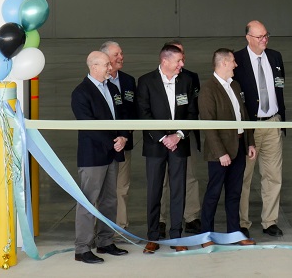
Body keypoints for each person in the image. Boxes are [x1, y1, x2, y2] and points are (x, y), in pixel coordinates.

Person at [137, 44, 198, 254]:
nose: (182, 64)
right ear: (165, 61)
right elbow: (143, 114)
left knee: (178, 191)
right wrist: (164, 137)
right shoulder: (146, 81)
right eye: (178, 61)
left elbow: (192, 112)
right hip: (156, 145)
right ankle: (153, 237)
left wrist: (178, 135)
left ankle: (176, 235)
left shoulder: (186, 81)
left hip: (179, 145)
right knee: (154, 191)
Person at [72, 51, 131, 264]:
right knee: (88, 201)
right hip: (93, 156)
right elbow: (88, 126)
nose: (110, 67)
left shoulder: (113, 88)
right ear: (94, 67)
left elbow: (123, 115)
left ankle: (105, 241)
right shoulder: (80, 93)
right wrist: (112, 142)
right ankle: (82, 248)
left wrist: (123, 137)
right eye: (106, 64)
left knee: (109, 200)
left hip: (113, 152)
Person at [233, 20, 286, 238]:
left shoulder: (275, 57)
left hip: (272, 123)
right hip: (249, 127)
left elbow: (280, 87)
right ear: (248, 38)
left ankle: (270, 221)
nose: (264, 40)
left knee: (273, 176)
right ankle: (242, 222)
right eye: (259, 37)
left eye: (266, 35)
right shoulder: (237, 60)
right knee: (244, 177)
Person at [198, 48, 257, 246]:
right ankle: (206, 235)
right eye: (233, 61)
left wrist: (250, 142)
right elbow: (209, 125)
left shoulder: (235, 85)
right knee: (213, 194)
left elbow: (244, 116)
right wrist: (220, 152)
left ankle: (235, 234)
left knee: (234, 193)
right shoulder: (208, 89)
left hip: (239, 147)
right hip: (220, 153)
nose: (236, 65)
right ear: (223, 63)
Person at [159, 40, 203, 236]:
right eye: (178, 56)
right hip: (160, 138)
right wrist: (164, 136)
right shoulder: (154, 79)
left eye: (183, 55)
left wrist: (180, 134)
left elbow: (194, 107)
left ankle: (191, 216)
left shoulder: (191, 78)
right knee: (162, 180)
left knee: (190, 176)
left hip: (186, 134)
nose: (182, 60)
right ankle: (160, 220)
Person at [101, 41, 136, 233]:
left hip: (124, 145)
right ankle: (104, 229)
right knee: (104, 190)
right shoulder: (96, 83)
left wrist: (124, 136)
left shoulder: (129, 80)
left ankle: (120, 229)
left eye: (121, 53)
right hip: (103, 146)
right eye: (116, 55)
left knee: (122, 189)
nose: (121, 57)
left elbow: (132, 111)